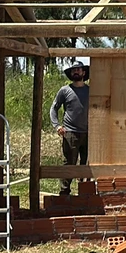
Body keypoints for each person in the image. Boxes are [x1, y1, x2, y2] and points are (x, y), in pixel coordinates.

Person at [49, 60, 90, 195]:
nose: (76, 72)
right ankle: (64, 192)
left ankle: (84, 192)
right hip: (70, 133)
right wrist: (57, 126)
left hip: (88, 133)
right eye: (73, 70)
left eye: (78, 69)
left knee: (86, 164)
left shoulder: (90, 91)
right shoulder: (65, 90)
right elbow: (54, 108)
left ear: (83, 72)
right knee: (69, 163)